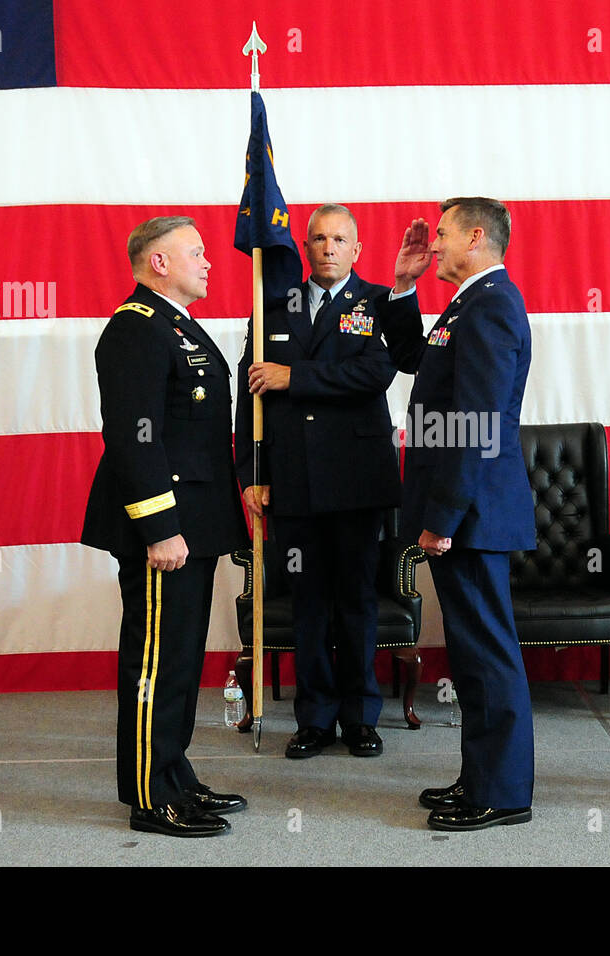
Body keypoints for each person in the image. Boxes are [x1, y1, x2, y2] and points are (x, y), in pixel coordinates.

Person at [82, 216, 249, 837]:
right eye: (196, 253)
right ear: (158, 262)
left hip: (194, 523)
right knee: (154, 661)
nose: (209, 262)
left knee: (179, 658)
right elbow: (133, 437)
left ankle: (173, 772)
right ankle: (150, 795)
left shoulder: (177, 326)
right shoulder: (137, 329)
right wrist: (158, 527)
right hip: (166, 527)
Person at [383, 197, 537, 832]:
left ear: (477, 236)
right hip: (462, 512)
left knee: (489, 653)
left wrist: (444, 517)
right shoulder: (467, 302)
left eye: (442, 234)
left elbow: (479, 425)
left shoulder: (494, 304)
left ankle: (502, 793)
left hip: (472, 514)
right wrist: (402, 287)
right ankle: (480, 777)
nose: (435, 242)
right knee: (471, 655)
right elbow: (414, 358)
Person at [235, 204, 402, 759]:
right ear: (305, 249)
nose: (328, 248)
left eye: (340, 239)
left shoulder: (378, 303)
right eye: (319, 239)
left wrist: (295, 377)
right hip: (293, 481)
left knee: (356, 600)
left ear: (357, 249)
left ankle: (359, 716)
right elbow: (249, 396)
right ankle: (314, 717)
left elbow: (377, 373)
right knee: (307, 602)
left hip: (356, 482)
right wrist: (251, 474)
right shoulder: (273, 304)